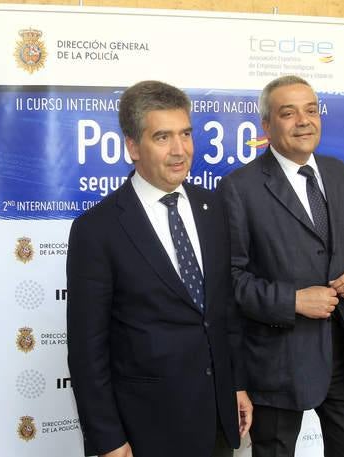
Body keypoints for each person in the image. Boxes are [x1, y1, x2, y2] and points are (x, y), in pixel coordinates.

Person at [67, 80, 252, 457]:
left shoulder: (212, 208)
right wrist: (108, 439)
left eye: (185, 134)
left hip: (216, 421)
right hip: (145, 430)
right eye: (163, 137)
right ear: (133, 147)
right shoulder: (97, 229)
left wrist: (235, 384)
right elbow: (87, 350)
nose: (180, 150)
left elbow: (222, 312)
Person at [217, 75, 344, 457]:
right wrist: (293, 300)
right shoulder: (239, 189)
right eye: (289, 112)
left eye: (311, 110)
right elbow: (228, 280)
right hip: (278, 363)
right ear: (266, 126)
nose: (303, 120)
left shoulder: (343, 176)